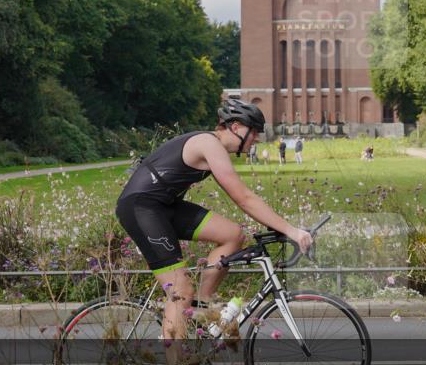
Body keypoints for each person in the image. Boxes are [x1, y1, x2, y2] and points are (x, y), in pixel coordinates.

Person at [115, 100, 312, 341]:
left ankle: (199, 306)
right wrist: (291, 230)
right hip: (141, 207)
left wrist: (278, 226)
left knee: (233, 235)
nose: (257, 139)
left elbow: (245, 200)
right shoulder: (209, 144)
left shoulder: (212, 145)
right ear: (237, 127)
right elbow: (243, 197)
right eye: (255, 131)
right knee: (180, 290)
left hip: (164, 206)